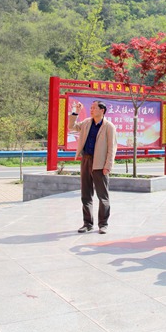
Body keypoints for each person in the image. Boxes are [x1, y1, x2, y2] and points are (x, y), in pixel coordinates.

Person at [69, 100, 117, 234]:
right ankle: (87, 224)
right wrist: (76, 112)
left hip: (100, 163)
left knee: (103, 196)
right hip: (86, 159)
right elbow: (72, 126)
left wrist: (108, 165)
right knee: (86, 194)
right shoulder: (86, 123)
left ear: (102, 110)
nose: (91, 110)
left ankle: (103, 224)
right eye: (91, 107)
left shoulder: (109, 127)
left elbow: (112, 148)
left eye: (94, 108)